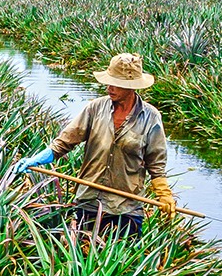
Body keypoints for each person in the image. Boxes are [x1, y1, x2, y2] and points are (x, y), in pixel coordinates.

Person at [11, 52, 176, 237]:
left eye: (115, 84)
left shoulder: (151, 117)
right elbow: (63, 143)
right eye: (109, 81)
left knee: (123, 262)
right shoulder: (95, 108)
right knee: (83, 256)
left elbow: (156, 165)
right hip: (89, 201)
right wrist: (35, 160)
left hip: (125, 207)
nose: (108, 87)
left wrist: (164, 195)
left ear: (130, 87)